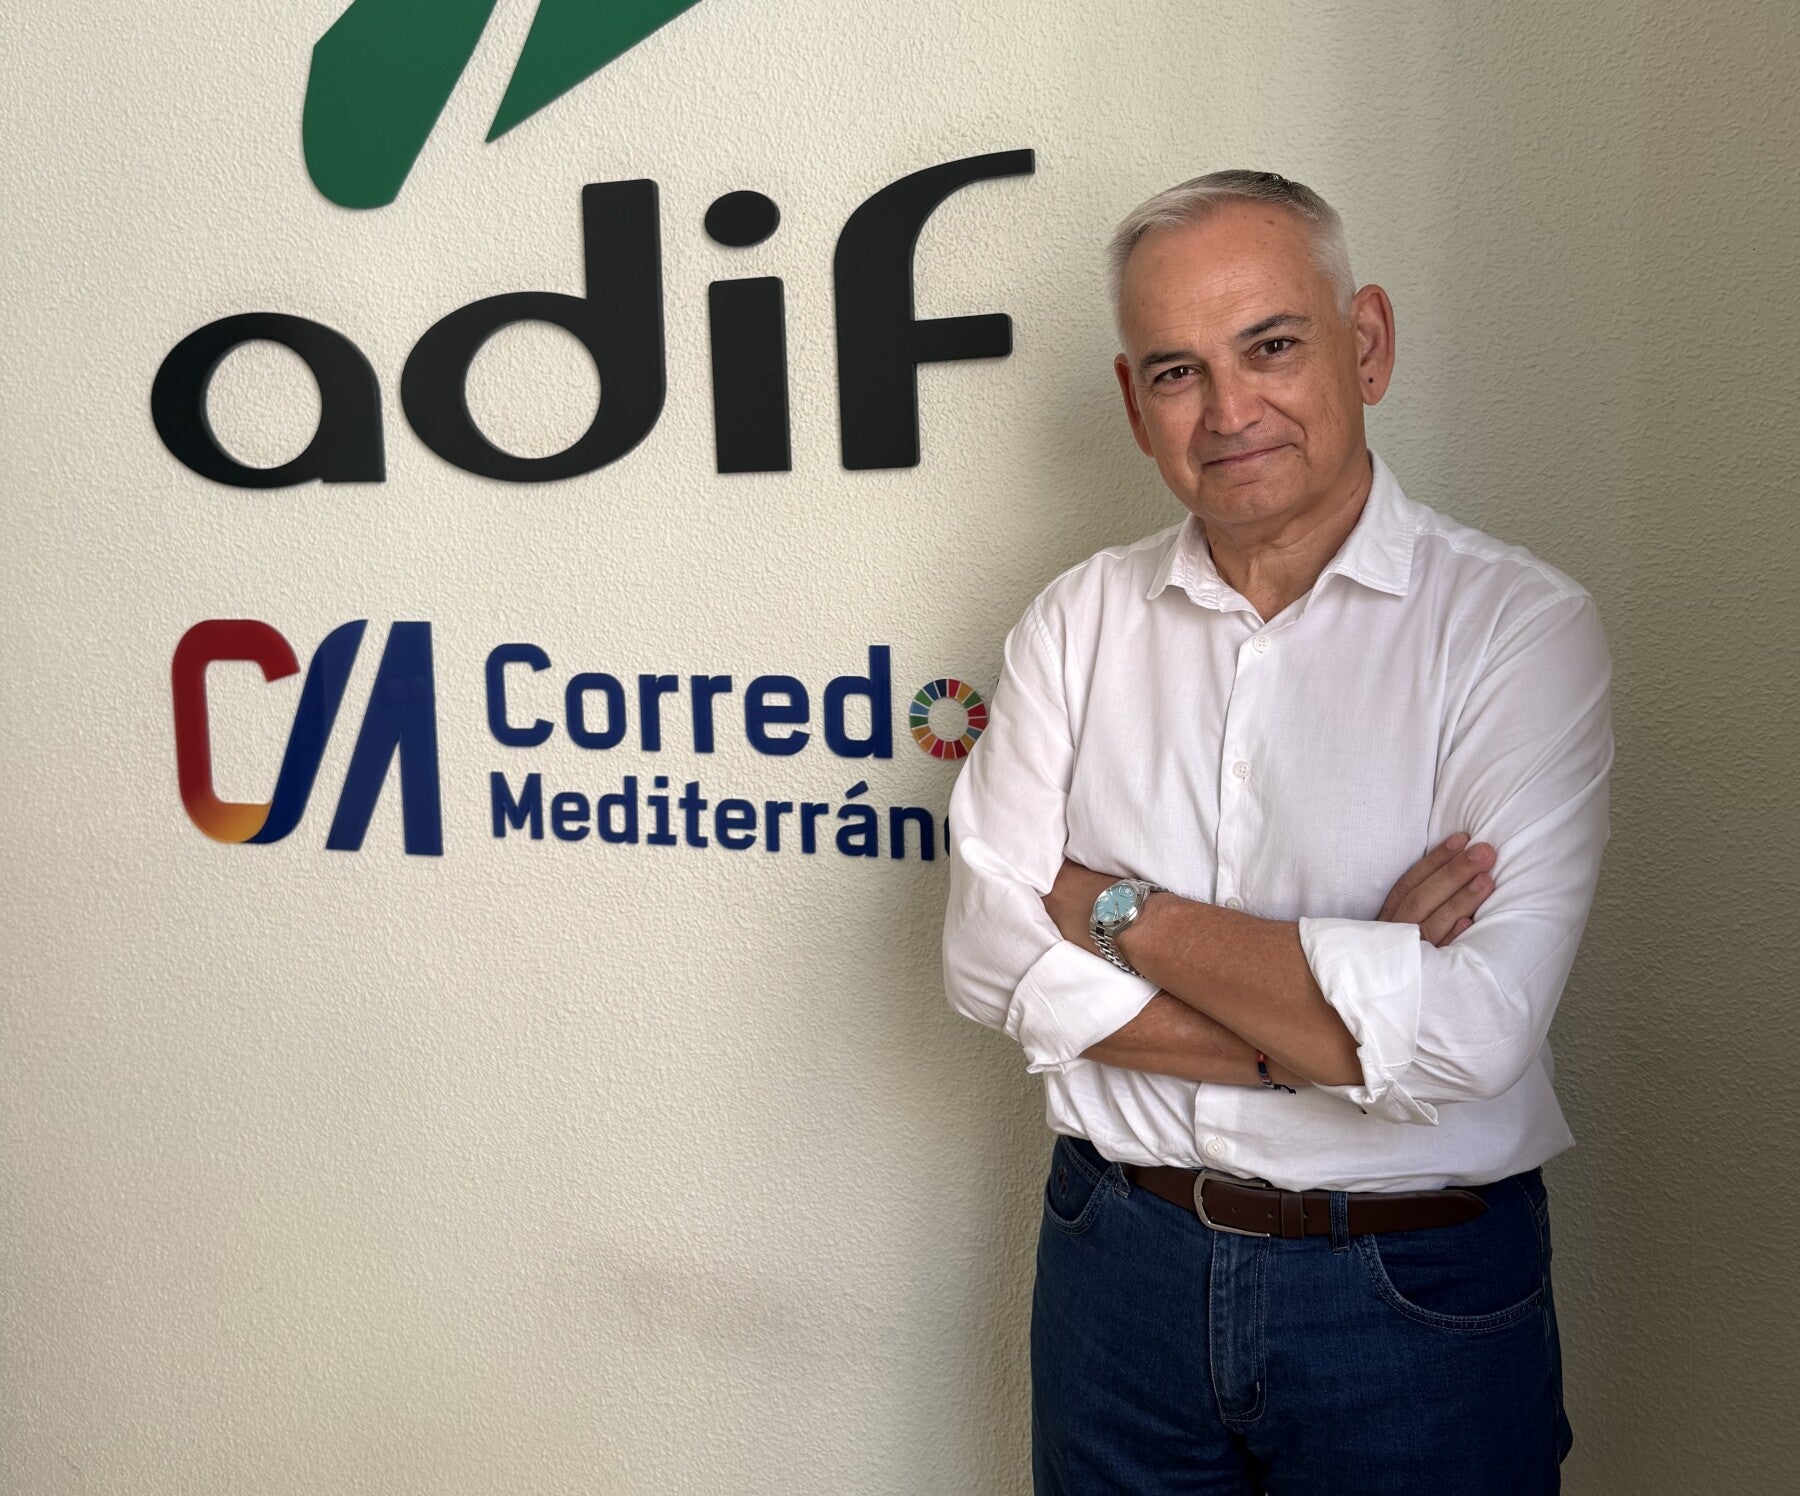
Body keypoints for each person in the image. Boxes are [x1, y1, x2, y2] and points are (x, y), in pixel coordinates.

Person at [940, 170, 1612, 1495]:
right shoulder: (1077, 620)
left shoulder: (1518, 630)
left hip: (1410, 1291)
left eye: (1272, 347)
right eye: (1177, 371)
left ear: (1367, 344)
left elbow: (1476, 1035)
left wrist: (1112, 911)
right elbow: (979, 957)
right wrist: (1343, 1013)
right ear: (1134, 403)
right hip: (1119, 1263)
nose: (1231, 410)